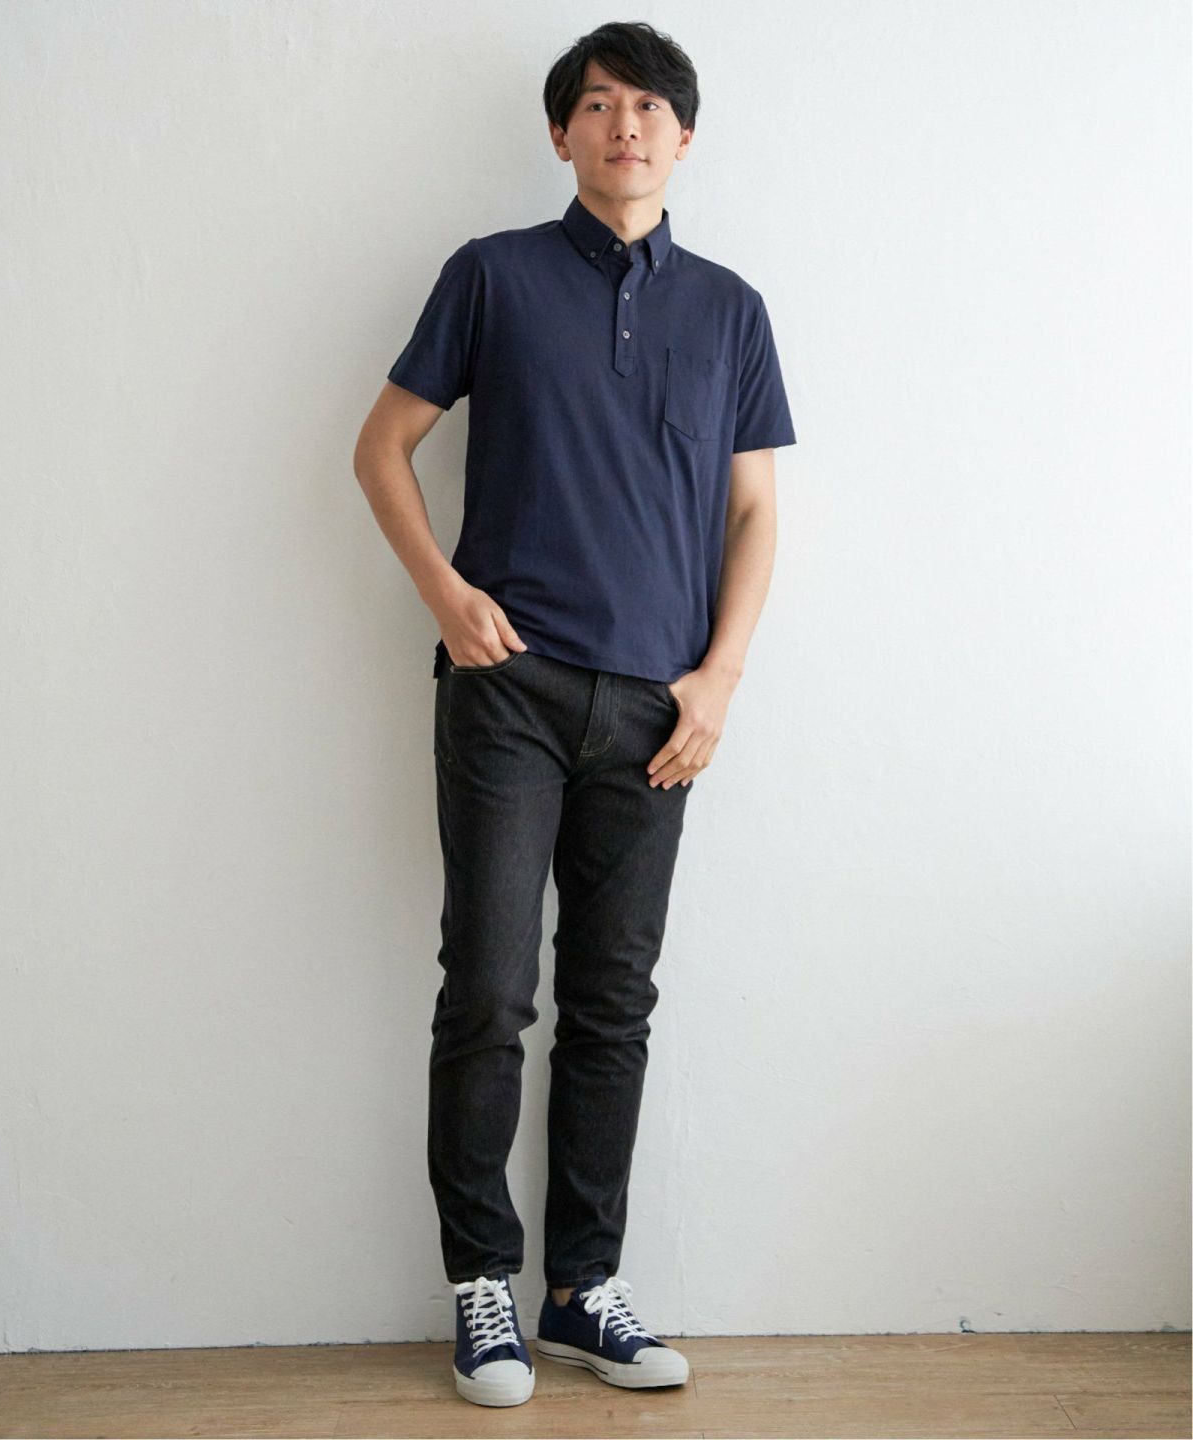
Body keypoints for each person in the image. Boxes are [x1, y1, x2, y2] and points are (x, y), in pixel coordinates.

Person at [353, 20, 797, 1409]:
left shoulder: (730, 310)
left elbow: (755, 511)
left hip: (660, 709)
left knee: (615, 1002)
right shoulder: (492, 275)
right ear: (562, 134)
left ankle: (580, 1290)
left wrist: (721, 676)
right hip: (512, 692)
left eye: (651, 106)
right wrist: (446, 595)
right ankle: (483, 1282)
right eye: (599, 105)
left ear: (685, 137)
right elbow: (380, 446)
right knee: (490, 990)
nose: (626, 125)